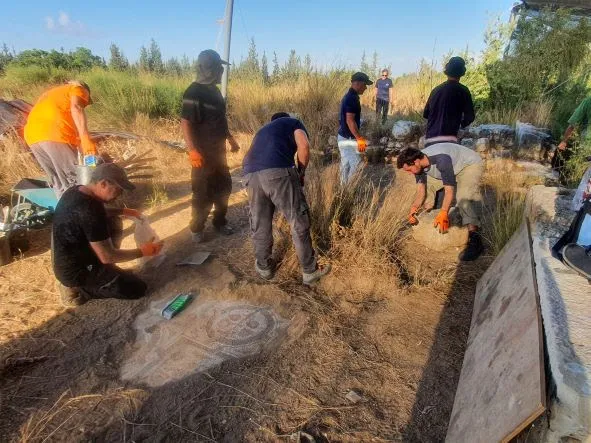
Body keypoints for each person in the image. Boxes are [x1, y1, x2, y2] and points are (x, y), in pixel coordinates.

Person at [52, 163, 162, 306]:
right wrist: (143, 251)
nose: (119, 195)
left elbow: (92, 215)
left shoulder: (76, 191)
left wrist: (124, 211)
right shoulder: (90, 210)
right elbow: (107, 256)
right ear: (103, 183)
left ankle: (107, 273)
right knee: (137, 289)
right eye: (118, 190)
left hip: (75, 256)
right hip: (77, 273)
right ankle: (77, 291)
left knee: (114, 222)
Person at [243, 112, 331, 285]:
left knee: (260, 222)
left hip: (250, 175)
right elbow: (304, 146)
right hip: (277, 172)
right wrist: (301, 172)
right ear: (286, 118)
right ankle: (309, 271)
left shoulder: (262, 131)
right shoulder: (293, 122)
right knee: (297, 219)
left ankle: (264, 267)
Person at [181, 49, 241, 243]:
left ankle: (219, 222)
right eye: (219, 68)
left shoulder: (214, 91)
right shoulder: (193, 92)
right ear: (210, 69)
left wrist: (230, 138)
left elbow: (219, 119)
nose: (222, 71)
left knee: (224, 188)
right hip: (202, 155)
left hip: (219, 153)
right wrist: (193, 151)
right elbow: (186, 123)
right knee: (202, 193)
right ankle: (197, 228)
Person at [397, 144, 484, 261]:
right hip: (450, 167)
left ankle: (475, 239)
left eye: (409, 169)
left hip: (468, 165)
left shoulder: (441, 159)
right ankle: (425, 221)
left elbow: (449, 191)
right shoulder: (419, 166)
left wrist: (444, 212)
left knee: (463, 197)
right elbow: (421, 191)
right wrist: (414, 207)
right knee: (428, 189)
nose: (409, 173)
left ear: (416, 162)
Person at [24, 81, 98, 198]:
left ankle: (64, 214)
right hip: (54, 133)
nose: (84, 104)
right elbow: (76, 107)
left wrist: (77, 141)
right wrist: (85, 138)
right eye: (85, 102)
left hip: (32, 137)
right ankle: (82, 213)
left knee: (58, 181)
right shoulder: (77, 88)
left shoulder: (50, 94)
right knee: (75, 178)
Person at [423, 57, 475, 147]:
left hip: (430, 139)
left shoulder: (436, 90)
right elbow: (469, 117)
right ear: (462, 73)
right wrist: (460, 124)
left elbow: (426, 114)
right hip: (449, 139)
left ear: (447, 72)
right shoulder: (463, 91)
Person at [337, 72, 372, 184]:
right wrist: (359, 138)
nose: (366, 88)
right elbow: (349, 120)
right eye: (365, 84)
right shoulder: (352, 98)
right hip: (348, 139)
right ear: (358, 83)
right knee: (357, 165)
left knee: (345, 165)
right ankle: (350, 191)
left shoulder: (348, 96)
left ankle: (343, 191)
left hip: (343, 136)